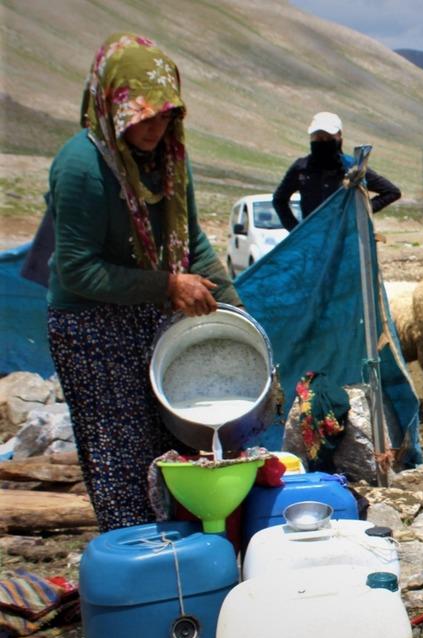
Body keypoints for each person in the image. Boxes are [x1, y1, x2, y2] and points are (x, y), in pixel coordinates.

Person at [47, 33, 240, 533]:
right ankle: (137, 565)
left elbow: (189, 240)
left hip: (152, 312)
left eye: (165, 115)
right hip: (91, 327)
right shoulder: (82, 167)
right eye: (142, 117)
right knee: (123, 453)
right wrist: (167, 287)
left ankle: (183, 558)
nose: (155, 128)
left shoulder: (171, 159)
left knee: (179, 445)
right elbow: (77, 269)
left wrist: (238, 313)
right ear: (112, 106)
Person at [272, 111, 401, 230]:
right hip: (313, 242)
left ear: (339, 136)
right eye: (318, 137)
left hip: (345, 241)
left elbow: (392, 192)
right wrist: (297, 232)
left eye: (328, 137)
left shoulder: (353, 168)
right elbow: (279, 200)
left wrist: (359, 214)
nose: (323, 141)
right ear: (311, 138)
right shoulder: (301, 168)